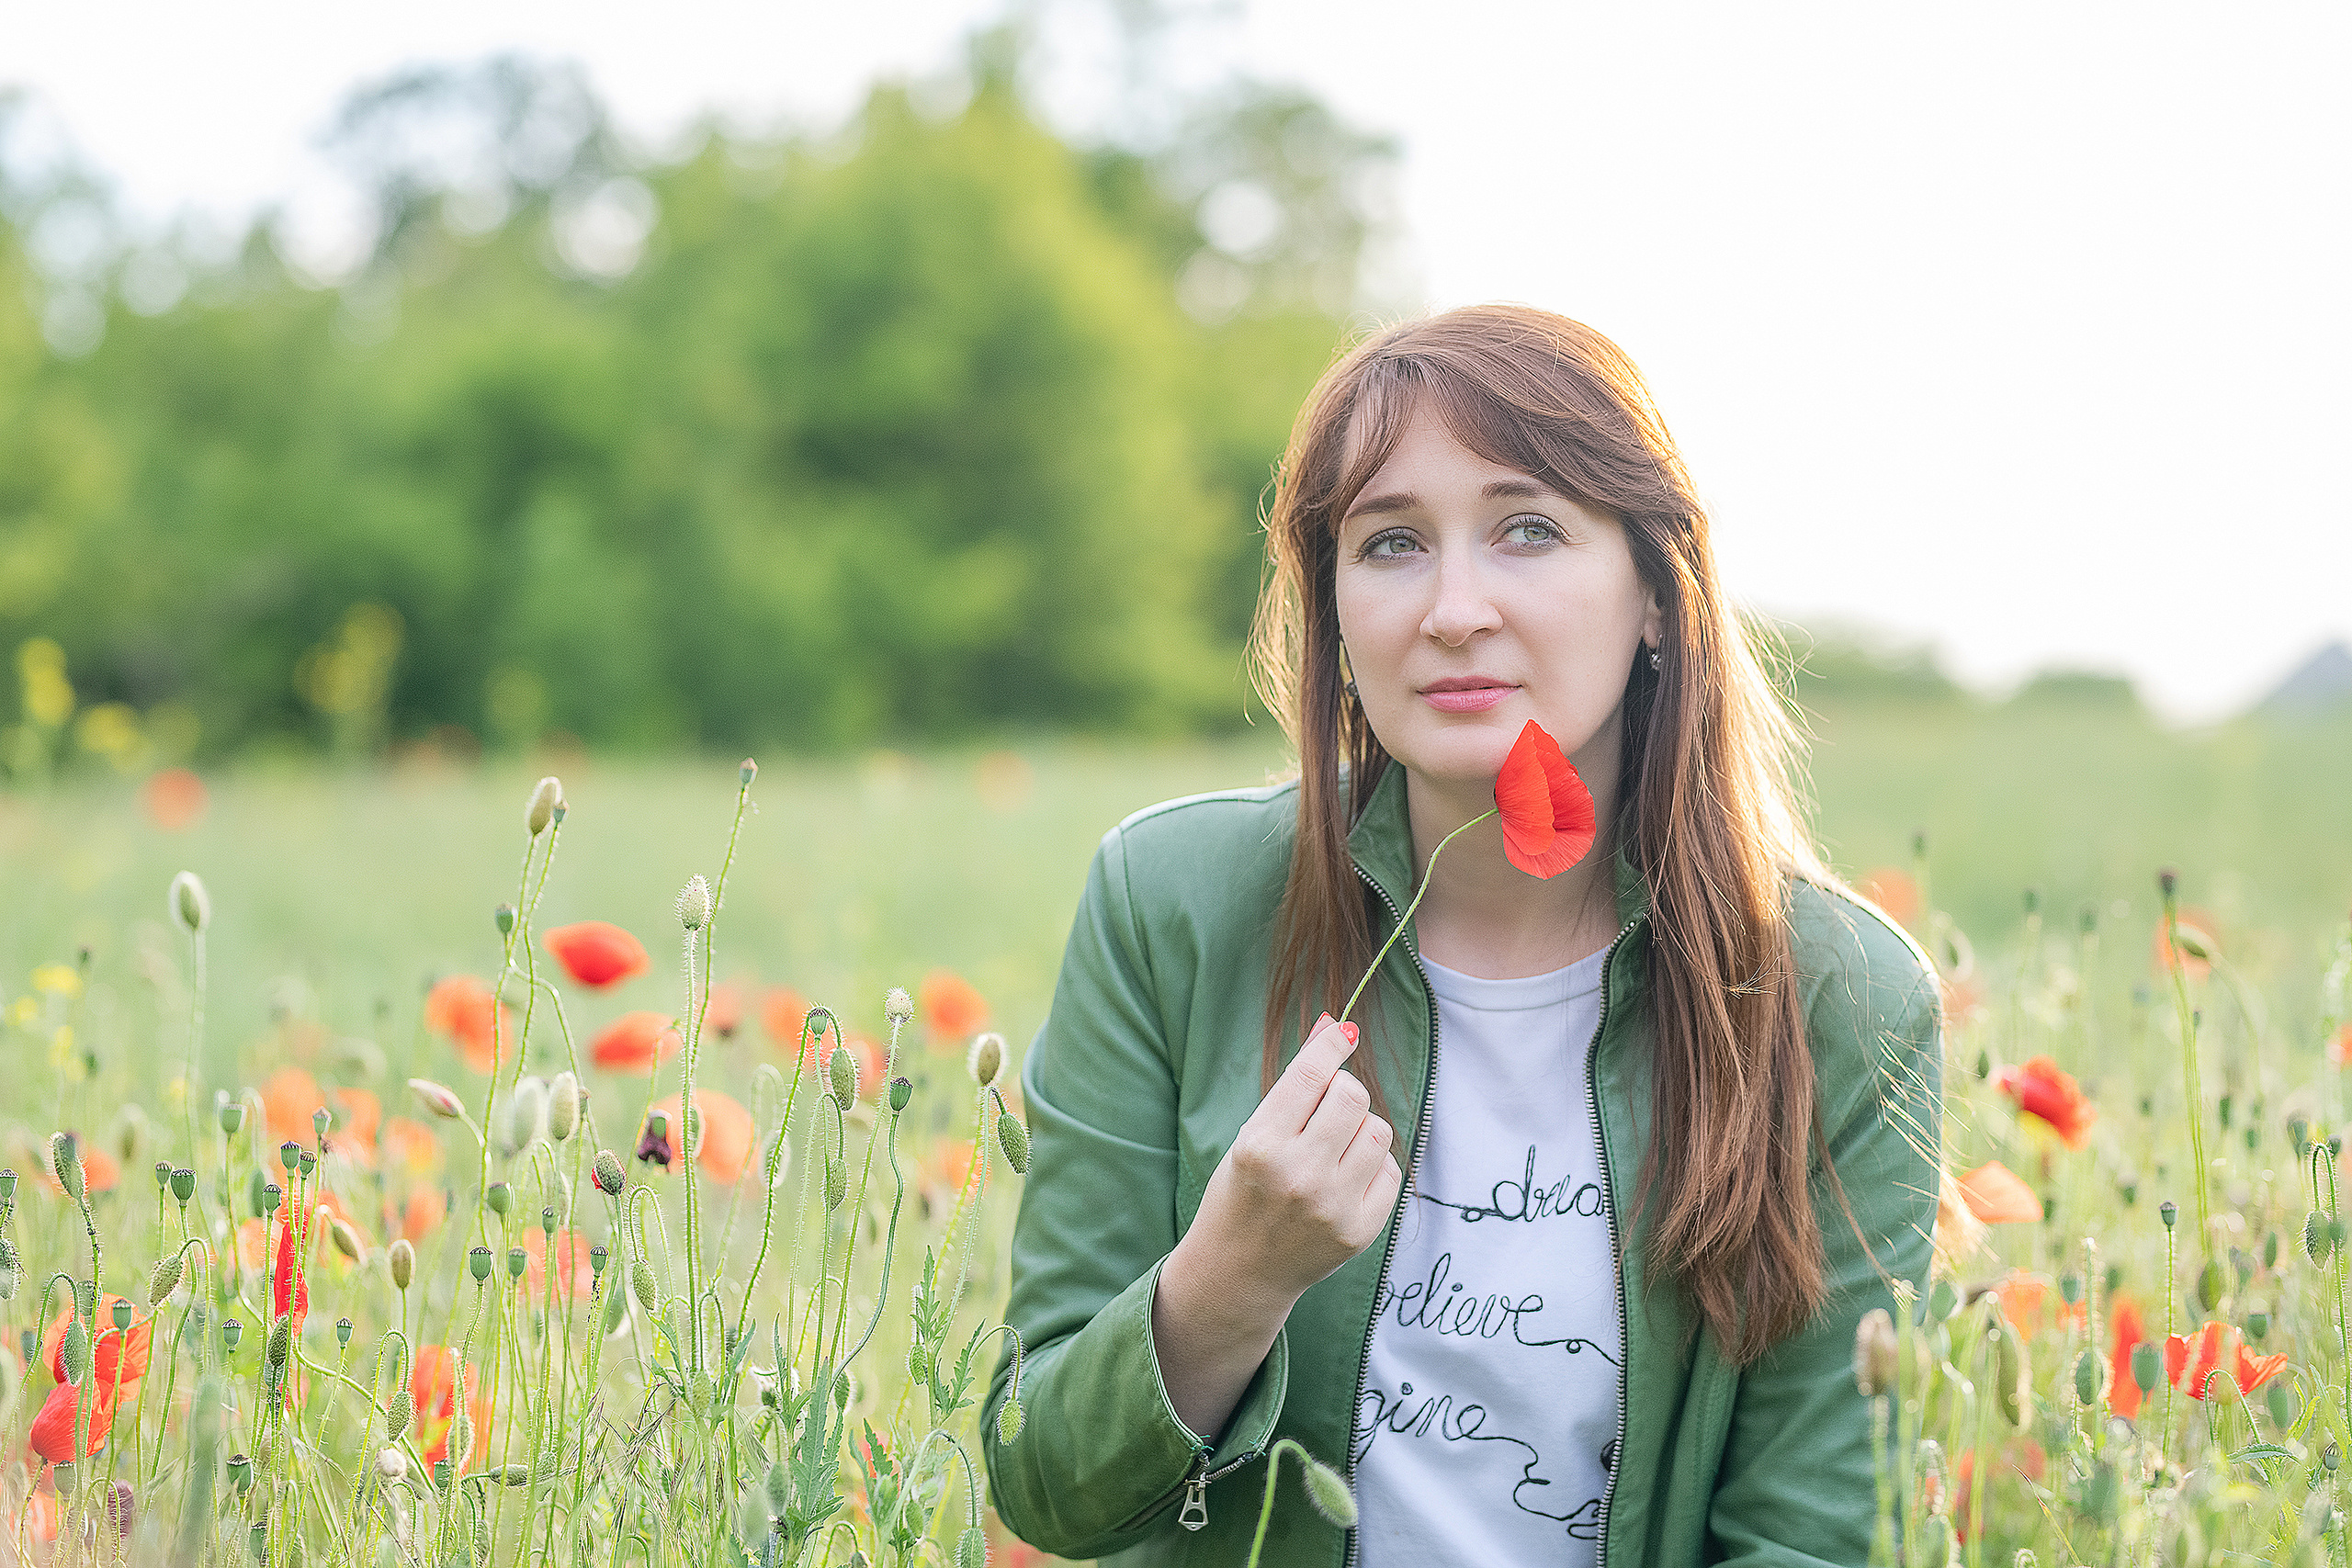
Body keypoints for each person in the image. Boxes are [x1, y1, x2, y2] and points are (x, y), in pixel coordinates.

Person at [983, 304, 1941, 1567]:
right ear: (1333, 607)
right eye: (1390, 543)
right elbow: (1048, 1491)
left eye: (1528, 529)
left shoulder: (1840, 998)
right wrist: (1231, 1277)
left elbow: (1814, 1541)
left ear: (1659, 593)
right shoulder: (1172, 906)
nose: (1453, 609)